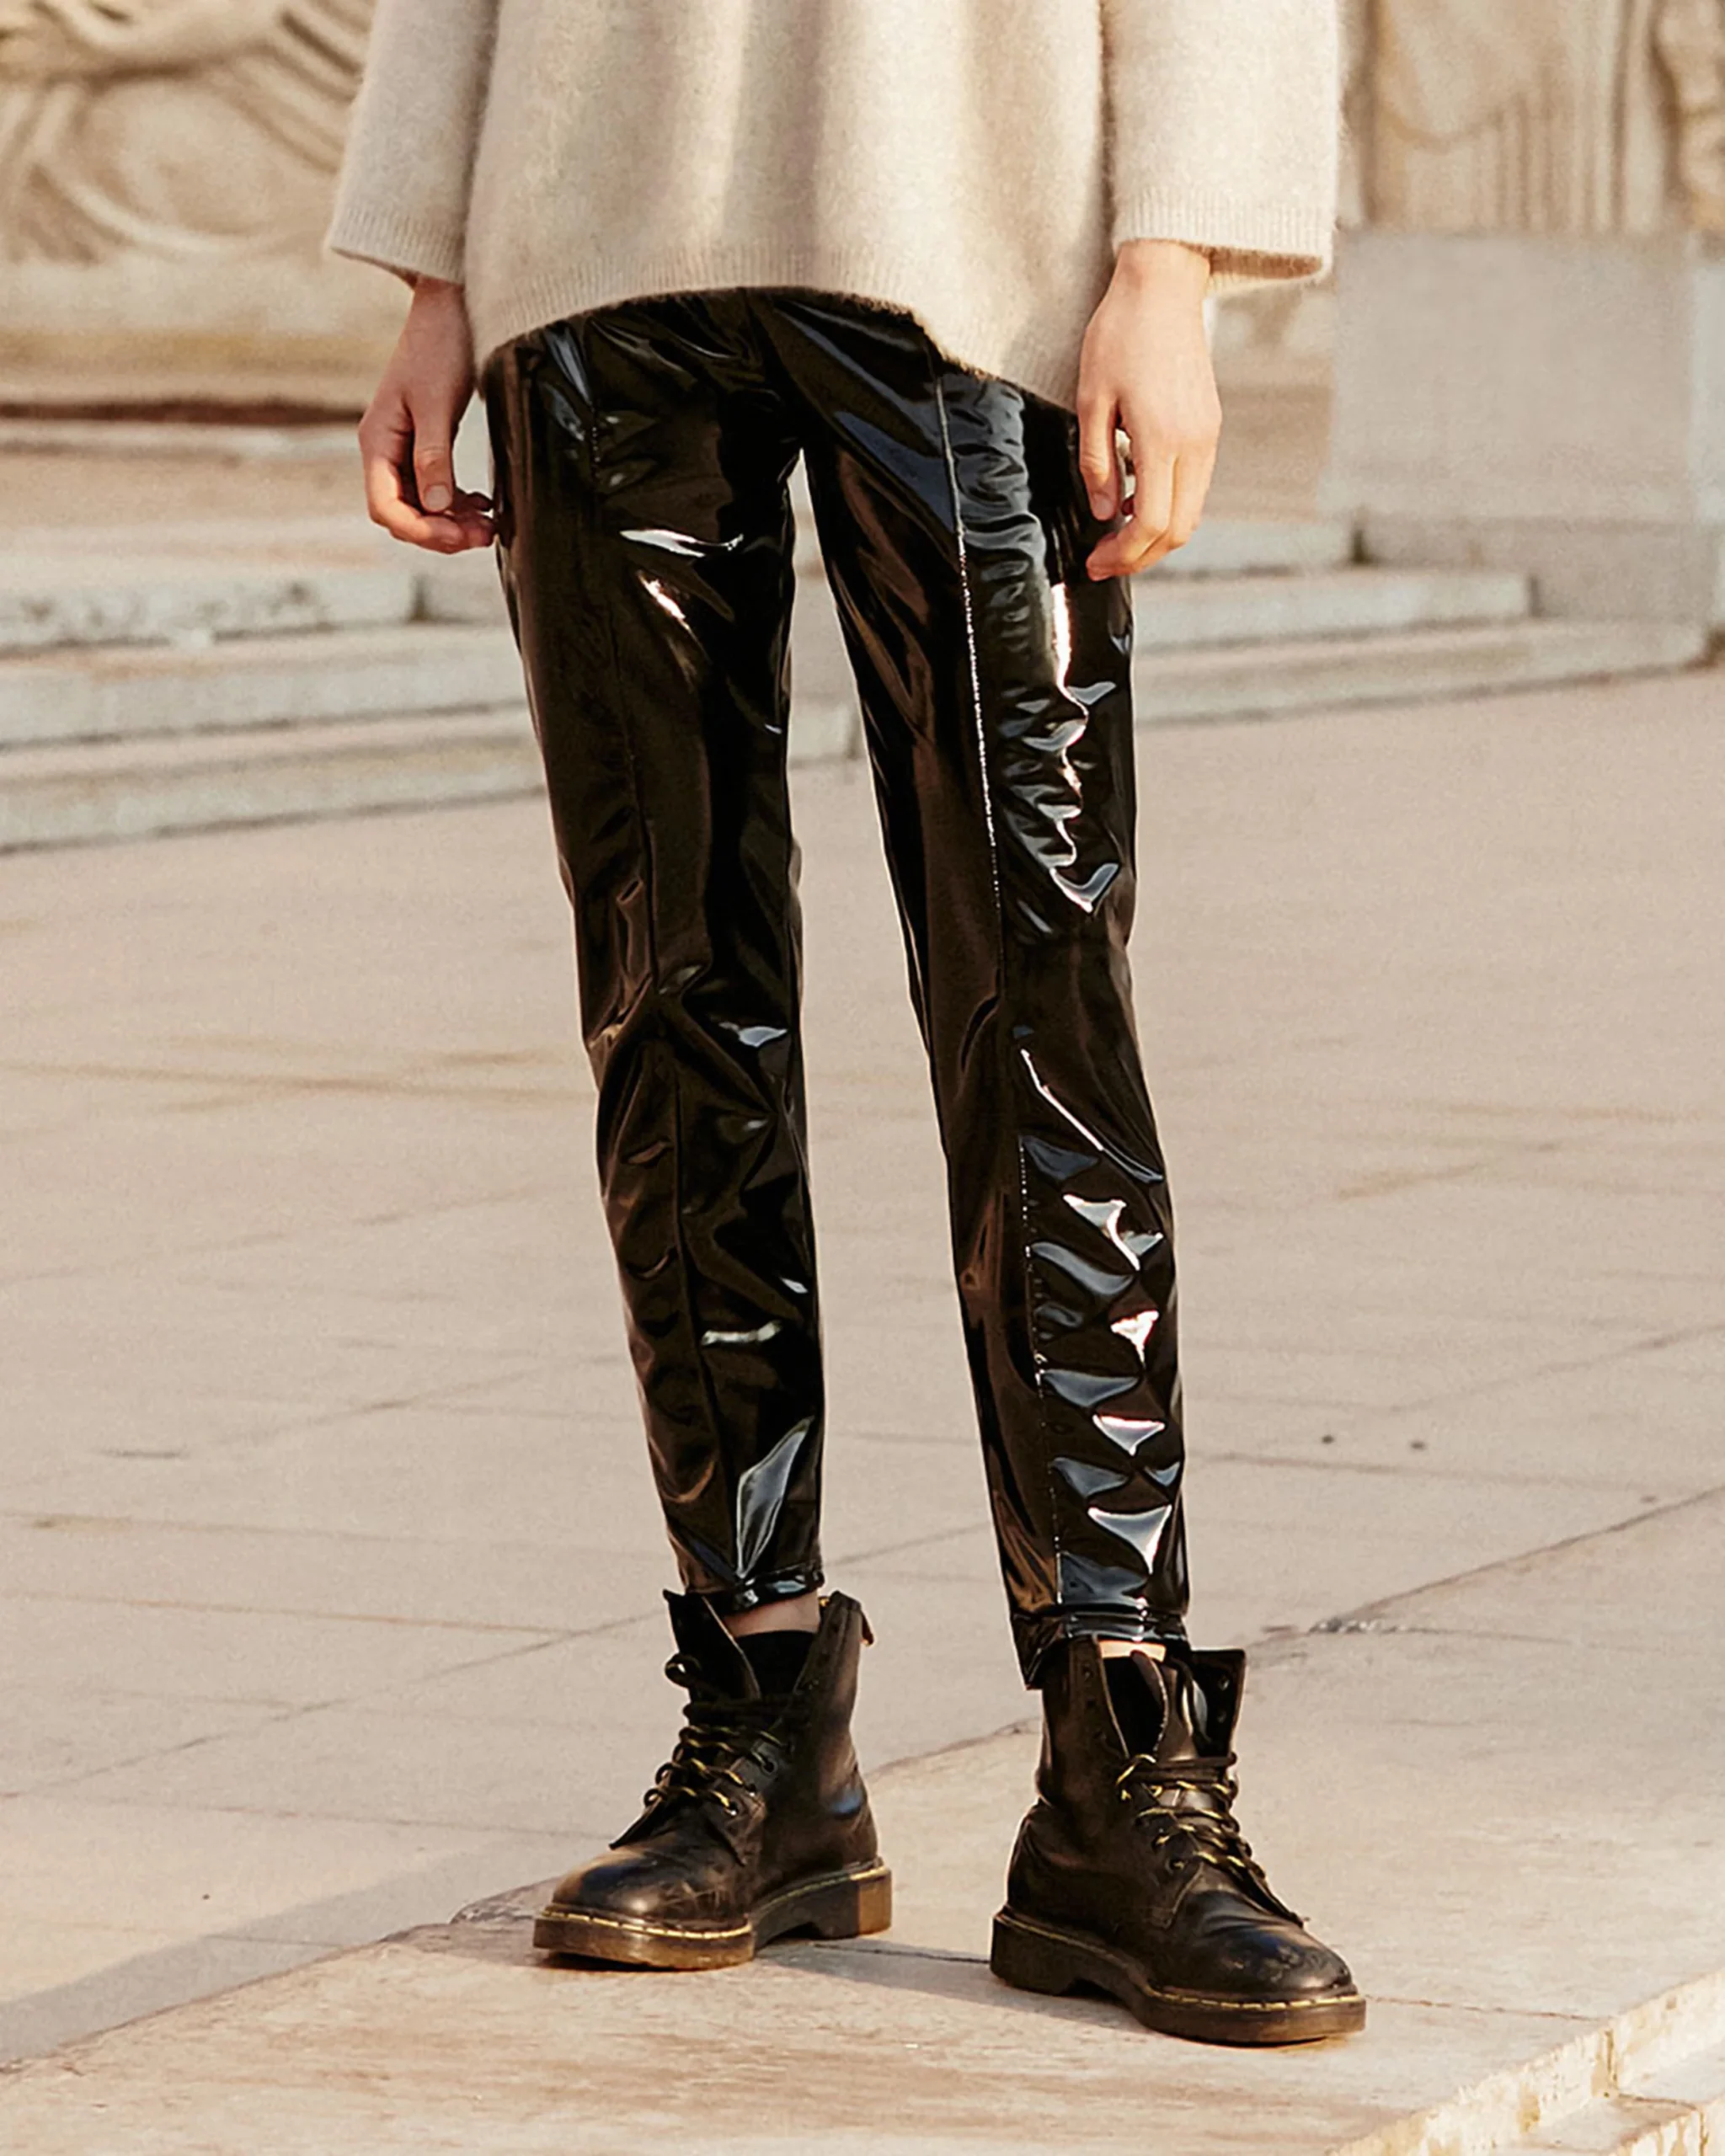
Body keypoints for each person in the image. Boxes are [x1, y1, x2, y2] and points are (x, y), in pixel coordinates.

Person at [329, 0, 1363, 2047]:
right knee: (668, 992)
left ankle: (1119, 1748)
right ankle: (762, 1714)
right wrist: (435, 259)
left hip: (970, 225)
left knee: (1038, 989)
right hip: (594, 212)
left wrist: (1169, 256)